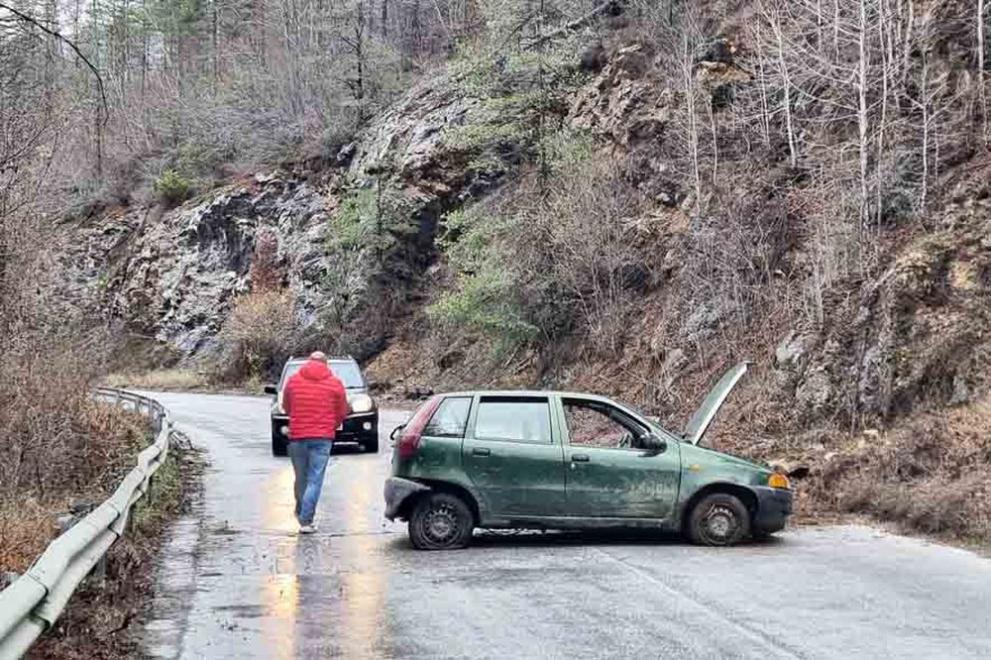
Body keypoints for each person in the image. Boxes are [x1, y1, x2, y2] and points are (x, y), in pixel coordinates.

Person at [283, 351, 350, 534]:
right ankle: (306, 521)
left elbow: (286, 407)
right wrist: (332, 425)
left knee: (300, 477)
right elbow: (342, 411)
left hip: (297, 437)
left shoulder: (293, 381)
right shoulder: (335, 383)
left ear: (308, 362)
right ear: (326, 364)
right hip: (322, 438)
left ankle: (300, 510)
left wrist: (297, 417)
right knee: (315, 479)